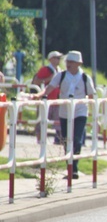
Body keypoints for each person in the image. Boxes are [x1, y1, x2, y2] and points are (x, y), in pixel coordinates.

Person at [39, 50, 96, 179]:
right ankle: (69, 167)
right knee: (65, 140)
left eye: (71, 62)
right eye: (67, 61)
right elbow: (50, 87)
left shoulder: (85, 78)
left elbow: (91, 96)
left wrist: (94, 114)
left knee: (76, 139)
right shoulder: (61, 75)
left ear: (78, 63)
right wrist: (41, 95)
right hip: (64, 112)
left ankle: (74, 169)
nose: (68, 64)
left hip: (80, 112)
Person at [31, 50, 63, 144]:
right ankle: (40, 140)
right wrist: (50, 79)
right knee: (42, 120)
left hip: (56, 99)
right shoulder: (45, 69)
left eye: (59, 58)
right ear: (51, 59)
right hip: (45, 98)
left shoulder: (60, 70)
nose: (59, 60)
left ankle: (59, 140)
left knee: (58, 121)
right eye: (57, 58)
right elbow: (36, 81)